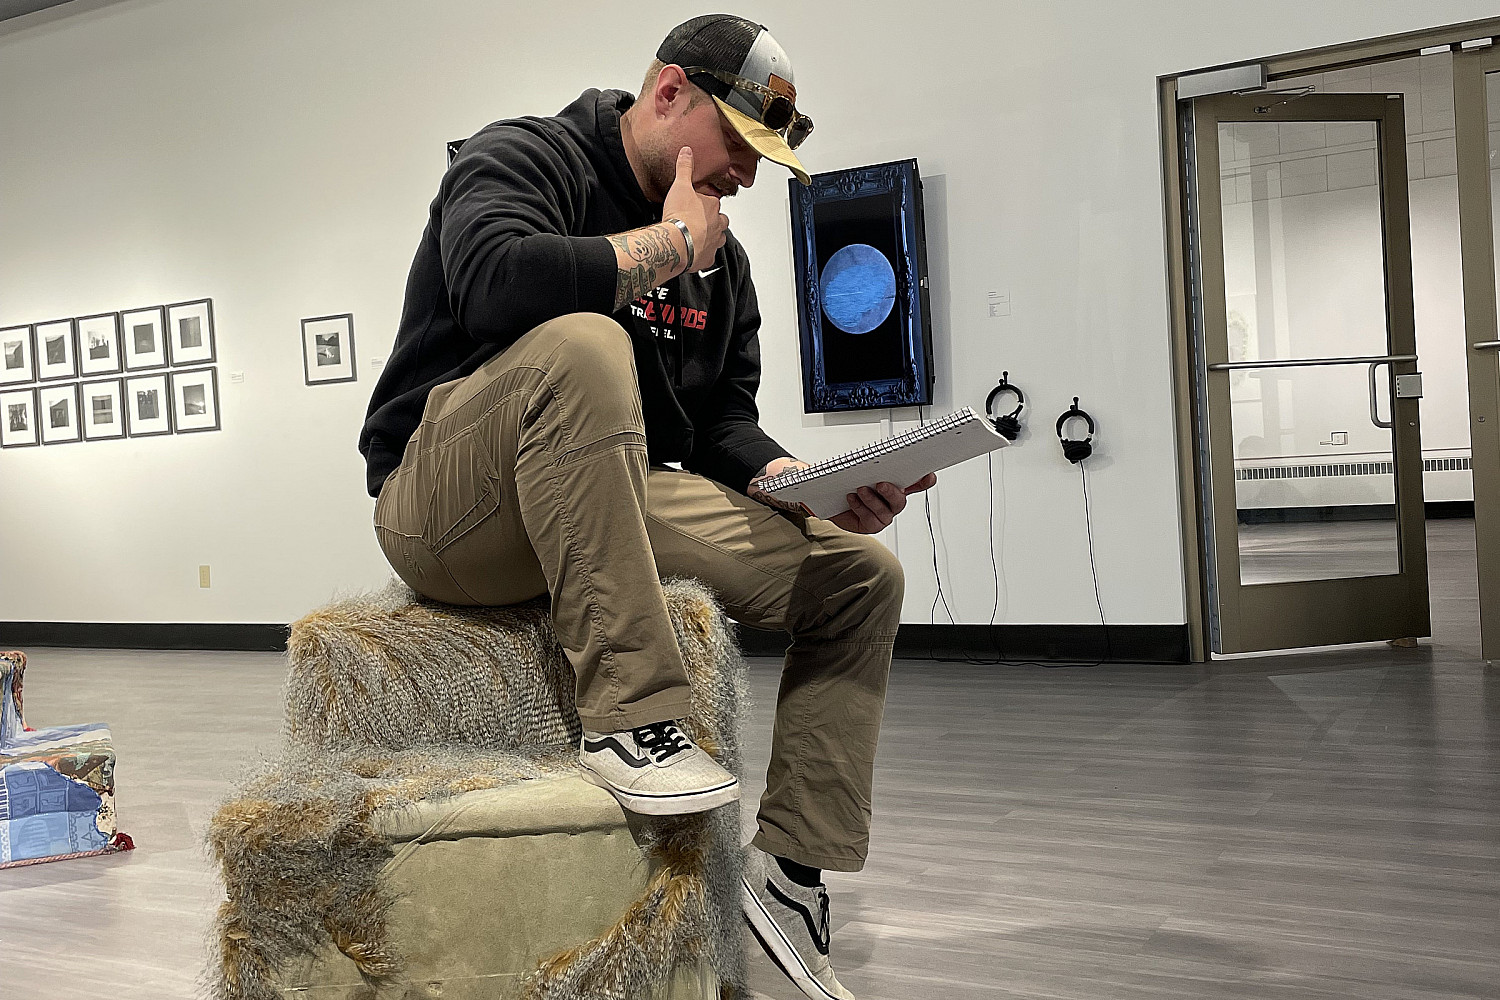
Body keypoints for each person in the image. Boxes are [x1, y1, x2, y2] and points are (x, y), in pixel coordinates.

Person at [358, 15, 935, 1000]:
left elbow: (720, 427)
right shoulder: (525, 156)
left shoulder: (728, 266)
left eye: (763, 164)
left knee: (859, 576)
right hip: (447, 505)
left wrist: (804, 482)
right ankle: (633, 719)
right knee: (588, 344)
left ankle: (793, 871)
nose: (746, 181)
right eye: (737, 149)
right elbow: (496, 284)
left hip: (601, 491)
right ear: (668, 94)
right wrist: (666, 246)